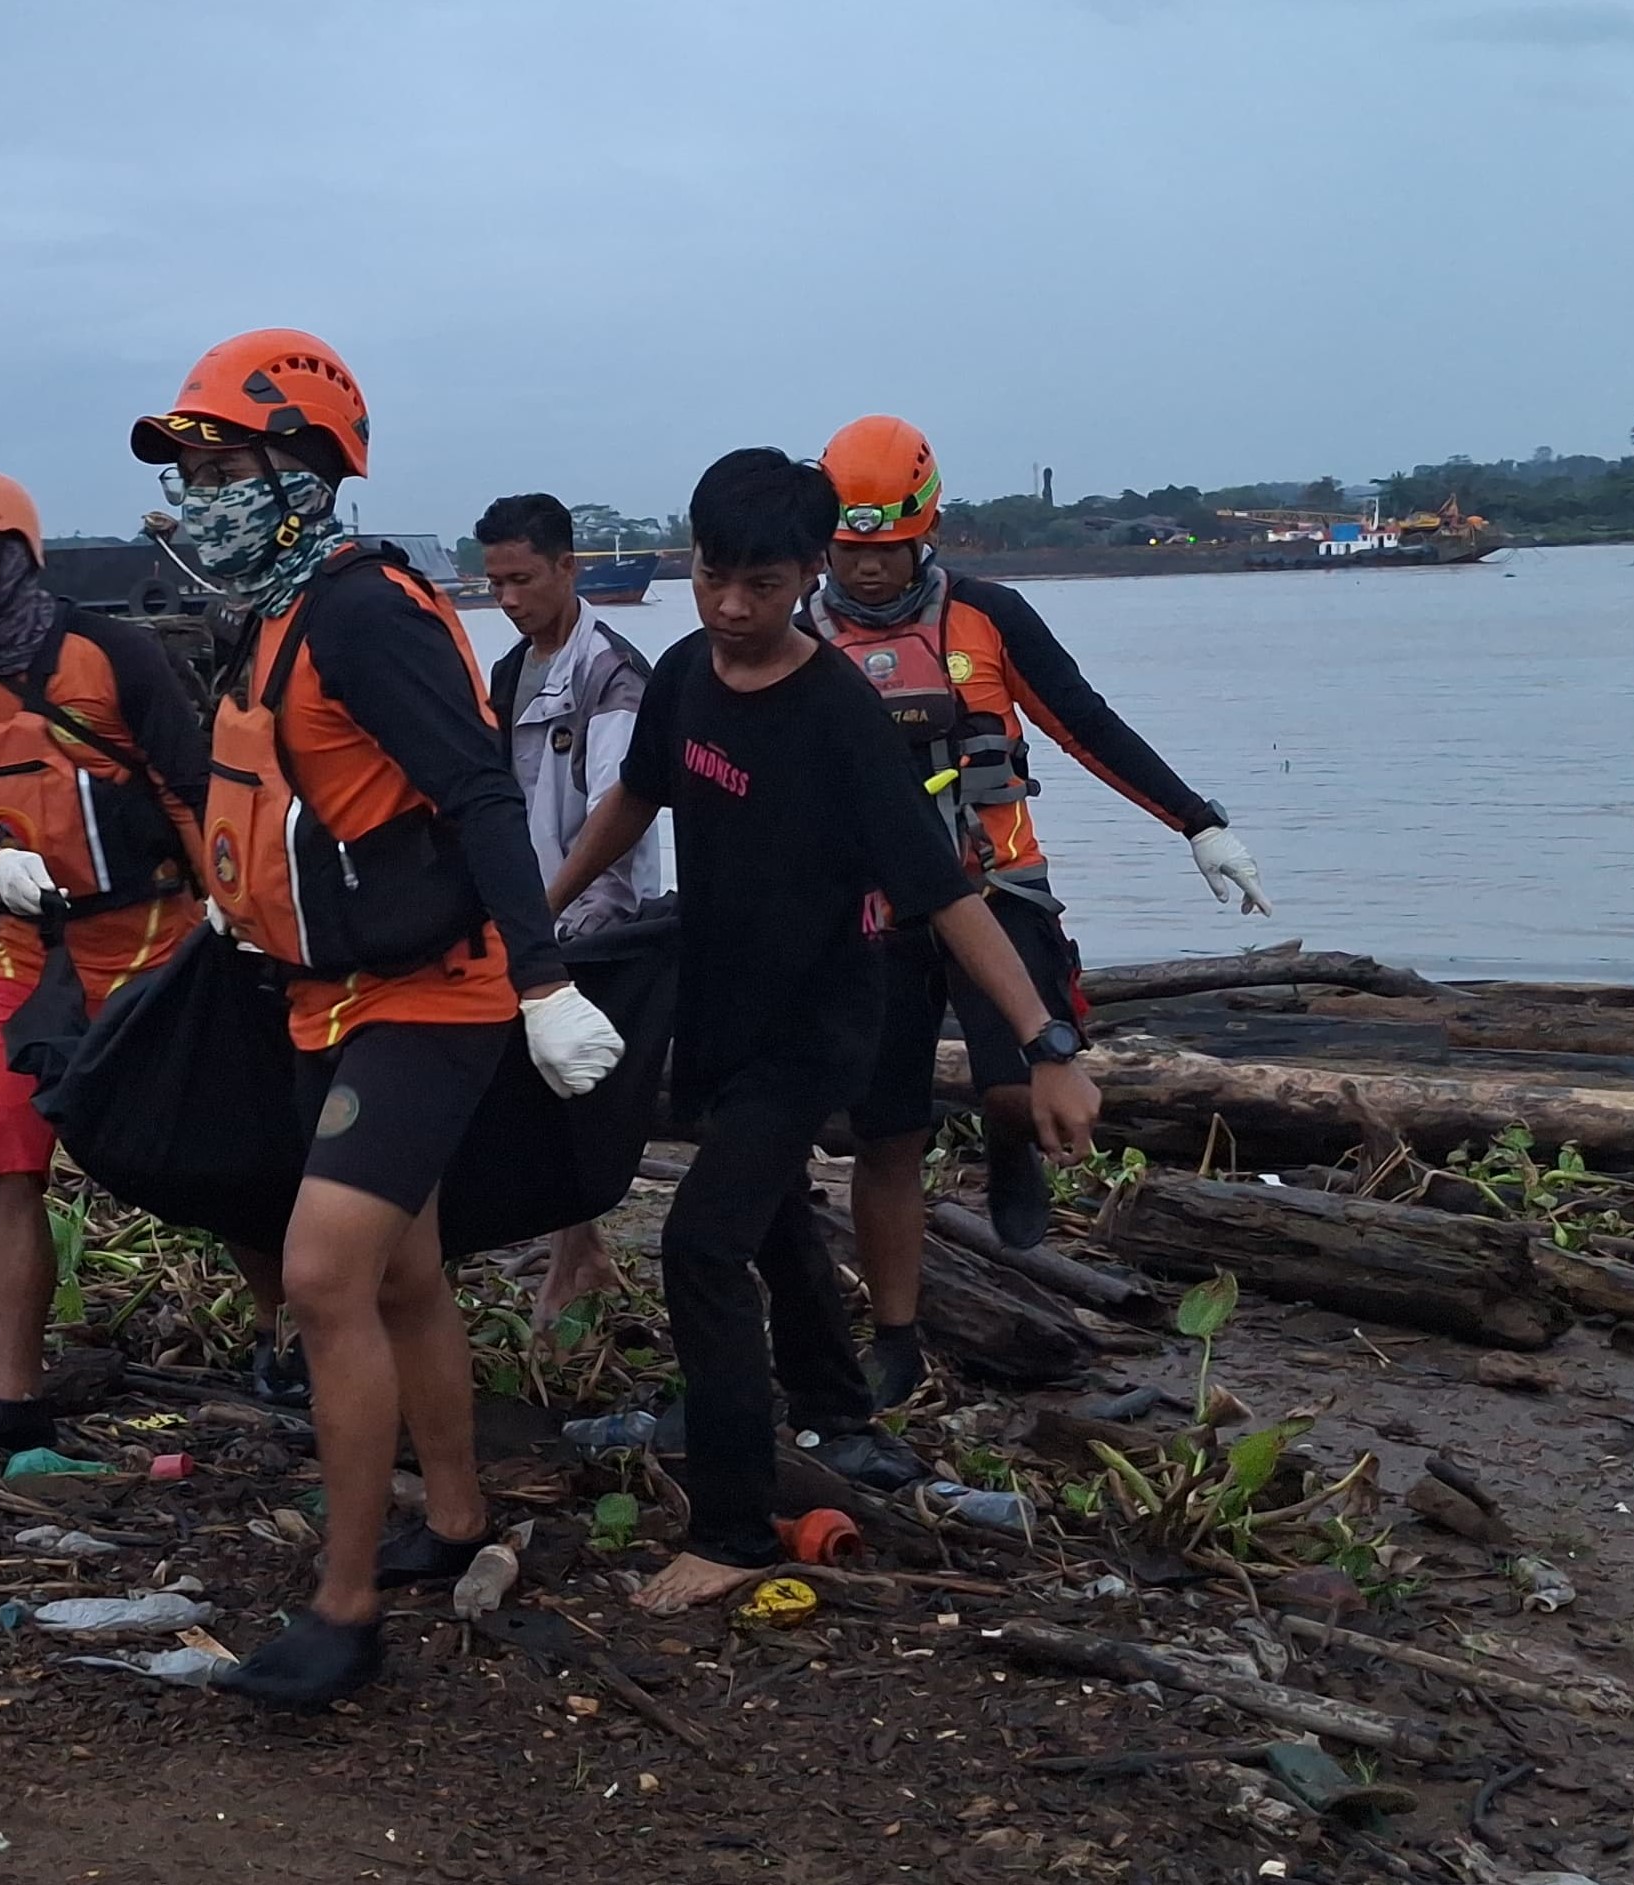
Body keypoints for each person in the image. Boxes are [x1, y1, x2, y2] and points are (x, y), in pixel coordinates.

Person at [133, 329, 625, 1706]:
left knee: (321, 1279)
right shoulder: (274, 615)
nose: (196, 492)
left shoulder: (360, 610)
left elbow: (475, 790)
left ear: (301, 466)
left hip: (428, 993)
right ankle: (455, 1514)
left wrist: (539, 978)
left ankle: (342, 1613)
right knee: (401, 1275)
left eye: (218, 460)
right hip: (320, 998)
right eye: (188, 465)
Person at [548, 448, 1077, 1614]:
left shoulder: (838, 710)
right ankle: (839, 1416)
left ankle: (734, 1526)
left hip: (820, 1021)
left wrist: (1044, 1041)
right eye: (713, 577)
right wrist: (540, 919)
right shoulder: (685, 673)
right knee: (774, 1214)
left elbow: (945, 891)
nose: (733, 609)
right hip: (720, 1008)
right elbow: (633, 796)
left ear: (808, 578)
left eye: (764, 586)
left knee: (699, 1242)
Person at [815, 415, 1267, 1407]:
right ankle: (894, 1339)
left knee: (1019, 1085)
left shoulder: (988, 617)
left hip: (997, 888)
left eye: (886, 549)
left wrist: (1195, 821)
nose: (871, 570)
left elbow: (1084, 721)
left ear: (921, 530)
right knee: (884, 1137)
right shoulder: (801, 640)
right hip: (870, 921)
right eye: (851, 551)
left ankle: (1009, 1136)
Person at [0, 469, 297, 1456]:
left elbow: (194, 792)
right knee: (2, 1167)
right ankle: (11, 1397)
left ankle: (290, 1339)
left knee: (226, 1157)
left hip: (160, 940)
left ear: (12, 556)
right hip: (31, 952)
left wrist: (240, 917)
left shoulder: (115, 655)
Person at [476, 491, 667, 1319]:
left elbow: (619, 808)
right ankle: (572, 1244)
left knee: (571, 1078)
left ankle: (576, 1250)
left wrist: (545, 911)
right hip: (529, 906)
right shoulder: (510, 671)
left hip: (596, 907)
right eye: (496, 583)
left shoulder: (611, 672)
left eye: (523, 579)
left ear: (565, 567)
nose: (510, 599)